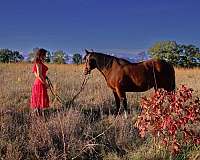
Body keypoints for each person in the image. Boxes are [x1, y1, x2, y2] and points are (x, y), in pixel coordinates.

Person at [30, 48, 49, 115]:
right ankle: (40, 115)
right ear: (41, 55)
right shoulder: (38, 63)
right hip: (40, 84)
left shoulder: (38, 62)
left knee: (38, 100)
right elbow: (39, 75)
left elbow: (35, 73)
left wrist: (45, 76)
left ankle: (38, 114)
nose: (45, 56)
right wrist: (45, 83)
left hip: (38, 83)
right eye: (45, 55)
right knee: (40, 100)